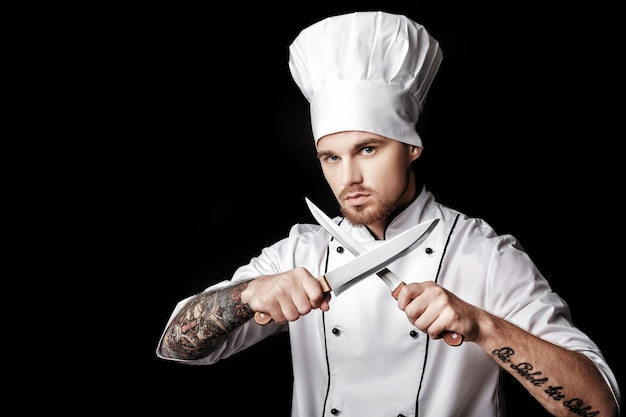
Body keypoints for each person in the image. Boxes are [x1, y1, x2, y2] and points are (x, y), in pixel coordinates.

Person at [156, 11, 620, 417]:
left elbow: (598, 407)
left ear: (411, 147)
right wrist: (249, 296)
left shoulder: (485, 255)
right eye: (331, 157)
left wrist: (483, 326)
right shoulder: (302, 250)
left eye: (368, 149)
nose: (349, 178)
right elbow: (176, 347)